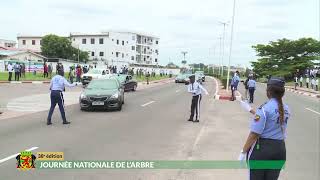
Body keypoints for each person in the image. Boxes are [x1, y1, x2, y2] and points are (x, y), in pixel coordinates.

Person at [239, 77, 290, 180]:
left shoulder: (264, 108)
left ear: (269, 92)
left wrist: (243, 151)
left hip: (262, 150)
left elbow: (254, 134)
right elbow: (273, 120)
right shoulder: (286, 108)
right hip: (279, 150)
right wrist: (251, 110)